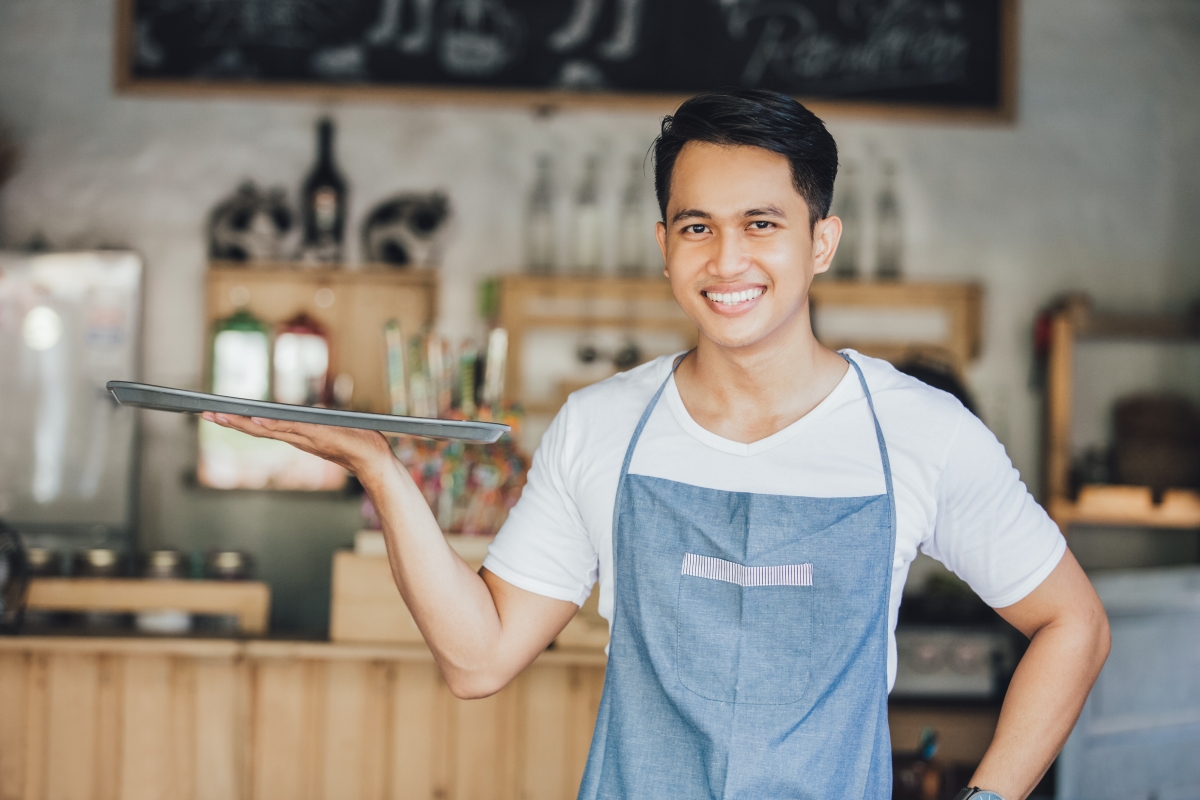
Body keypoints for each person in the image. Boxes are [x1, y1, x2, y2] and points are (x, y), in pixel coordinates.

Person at [204, 90, 1110, 800]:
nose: (727, 260)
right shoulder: (604, 426)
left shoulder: (918, 430)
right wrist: (379, 467)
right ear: (664, 246)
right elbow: (478, 660)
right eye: (696, 227)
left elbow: (1073, 625)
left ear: (821, 242)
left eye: (762, 224)